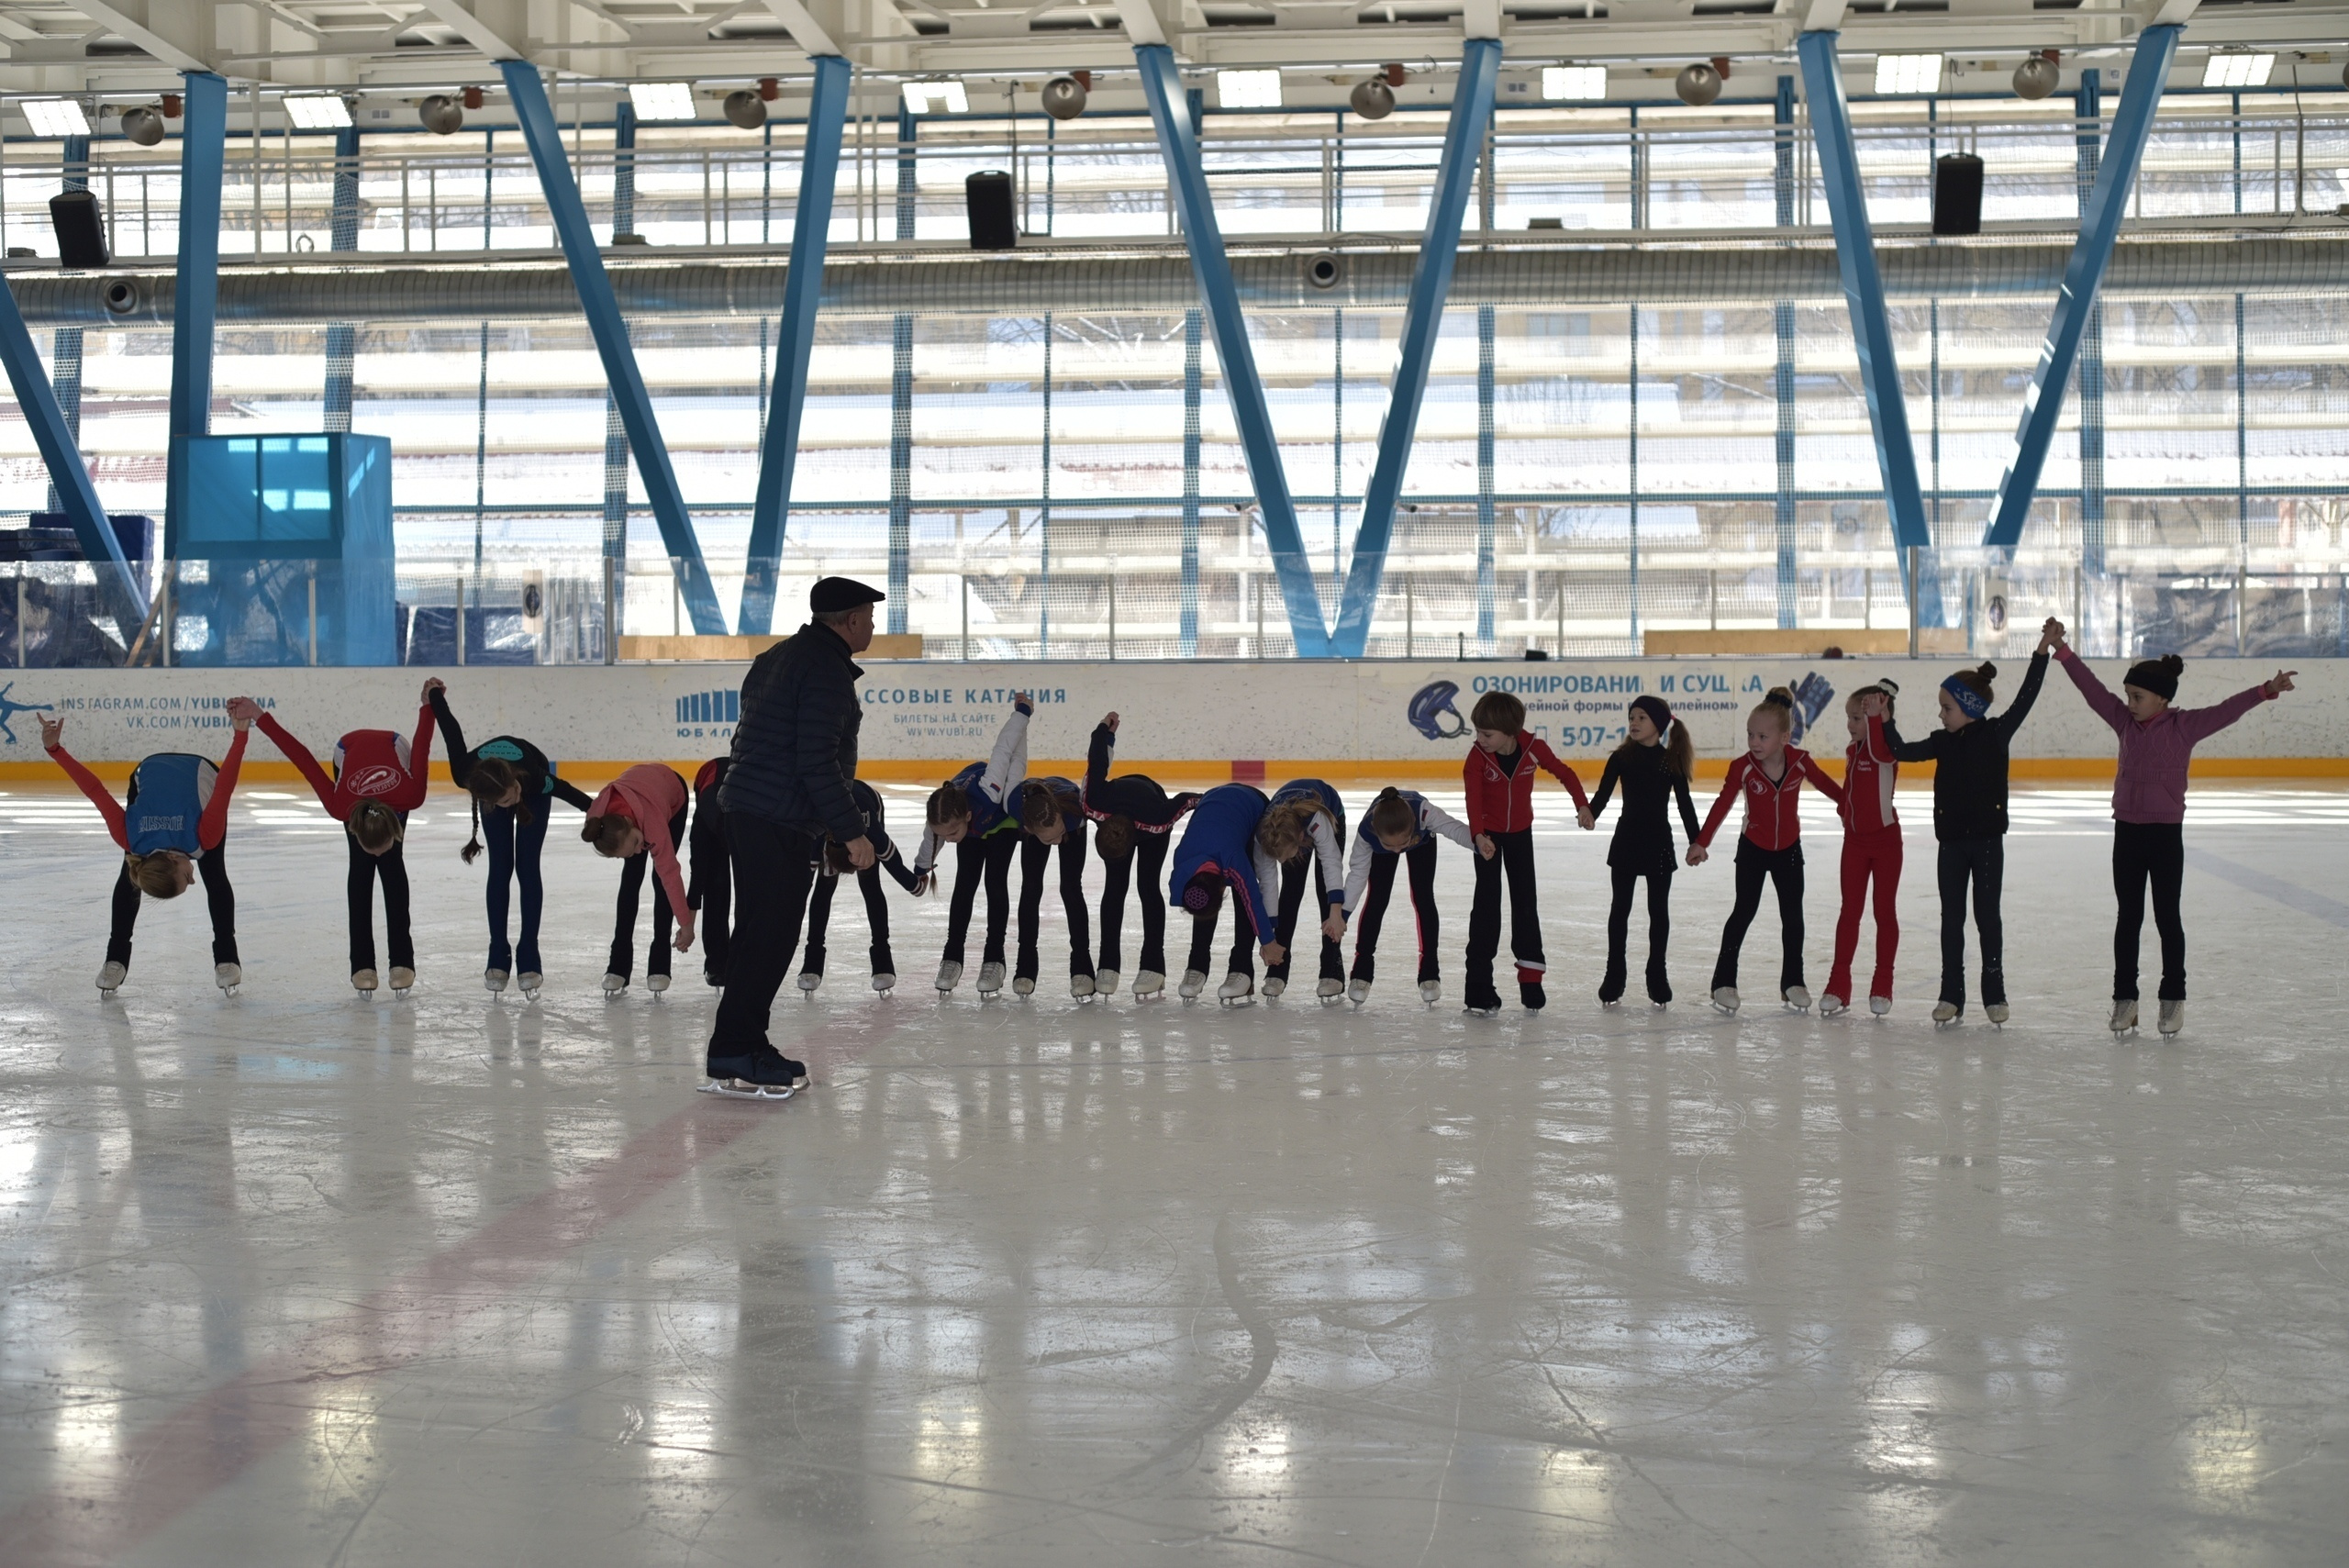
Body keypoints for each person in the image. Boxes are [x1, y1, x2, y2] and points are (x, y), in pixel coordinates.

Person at [2051, 627, 2295, 1037]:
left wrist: (2266, 690)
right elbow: (2092, 691)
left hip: (2164, 836)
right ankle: (2125, 1000)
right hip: (2126, 832)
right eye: (2127, 696)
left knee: (2167, 917)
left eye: (2137, 697)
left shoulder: (2185, 727)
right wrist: (2063, 650)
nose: (2129, 704)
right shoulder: (2124, 723)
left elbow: (2226, 710)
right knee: (2127, 917)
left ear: (2162, 699)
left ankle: (2172, 999)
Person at [707, 576, 885, 1095]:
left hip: (746, 807)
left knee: (757, 932)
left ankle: (738, 1043)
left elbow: (744, 736)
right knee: (771, 934)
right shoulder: (826, 671)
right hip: (776, 816)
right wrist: (851, 830)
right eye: (869, 616)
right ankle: (738, 1047)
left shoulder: (777, 657)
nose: (873, 624)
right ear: (850, 620)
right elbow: (818, 762)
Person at [1882, 632, 2053, 1025]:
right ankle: (1951, 994)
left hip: (1988, 843)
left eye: (1947, 708)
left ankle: (1995, 993)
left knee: (1987, 917)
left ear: (1969, 707)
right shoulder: (1942, 742)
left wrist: (2041, 652)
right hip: (1952, 845)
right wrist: (1887, 721)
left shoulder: (1997, 734)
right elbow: (1902, 751)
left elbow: (2027, 695)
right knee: (1951, 919)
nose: (1941, 715)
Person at [42, 704, 251, 996]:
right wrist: (55, 750)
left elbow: (223, 788)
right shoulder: (135, 840)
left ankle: (227, 959)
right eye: (190, 882)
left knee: (214, 875)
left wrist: (240, 736)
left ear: (172, 859)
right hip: (154, 778)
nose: (193, 880)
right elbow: (95, 791)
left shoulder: (174, 836)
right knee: (136, 876)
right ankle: (115, 960)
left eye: (185, 879)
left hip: (197, 771)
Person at [240, 686, 435, 995]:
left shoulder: (410, 796)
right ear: (354, 829)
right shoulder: (340, 805)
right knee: (361, 869)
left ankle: (402, 961)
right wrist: (258, 716)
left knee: (392, 862)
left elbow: (422, 748)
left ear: (395, 828)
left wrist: (427, 706)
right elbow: (302, 757)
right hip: (348, 749)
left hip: (393, 746)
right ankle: (362, 965)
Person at [427, 678, 595, 996]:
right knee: (501, 867)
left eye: (511, 797)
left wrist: (601, 812)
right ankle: (497, 951)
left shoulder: (532, 781)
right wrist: (434, 694)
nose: (511, 804)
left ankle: (529, 951)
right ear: (487, 800)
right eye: (505, 803)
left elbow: (572, 794)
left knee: (527, 867)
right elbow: (450, 728)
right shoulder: (465, 773)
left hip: (530, 774)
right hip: (493, 781)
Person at [1691, 686, 1847, 1015]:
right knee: (1742, 913)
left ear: (1784, 737)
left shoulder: (1801, 762)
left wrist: (1850, 806)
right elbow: (1722, 804)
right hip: (1753, 850)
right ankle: (1723, 982)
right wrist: (1702, 842)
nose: (1754, 742)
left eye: (1762, 736)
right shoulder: (1743, 767)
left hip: (1789, 850)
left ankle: (1793, 982)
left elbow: (1828, 786)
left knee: (1793, 918)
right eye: (1750, 735)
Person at [1461, 690, 1592, 1014]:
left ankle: (1531, 980)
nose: (1480, 739)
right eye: (1477, 732)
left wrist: (1583, 806)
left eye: (1487, 734)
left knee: (1525, 904)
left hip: (1521, 834)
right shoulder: (1477, 757)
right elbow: (1473, 800)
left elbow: (1566, 773)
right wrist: (1478, 835)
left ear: (1511, 731)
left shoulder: (1534, 748)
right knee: (1486, 909)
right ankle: (1479, 987)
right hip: (1487, 838)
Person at [911, 695, 1031, 996]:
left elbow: (1005, 750)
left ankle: (995, 958)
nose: (949, 839)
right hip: (973, 829)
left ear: (966, 816)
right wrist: (922, 868)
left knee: (994, 881)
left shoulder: (990, 790)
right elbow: (933, 840)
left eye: (953, 832)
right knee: (965, 884)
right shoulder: (941, 817)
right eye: (946, 834)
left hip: (1001, 821)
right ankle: (952, 957)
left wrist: (1023, 714)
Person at [1586, 695, 1701, 1007]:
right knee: (1619, 910)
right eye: (1631, 718)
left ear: (1659, 725)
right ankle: (1615, 974)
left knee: (1658, 912)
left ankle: (1657, 974)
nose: (1634, 723)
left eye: (1641, 718)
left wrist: (1697, 840)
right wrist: (1590, 813)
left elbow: (1685, 804)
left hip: (1658, 844)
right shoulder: (1622, 757)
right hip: (1626, 841)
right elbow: (1603, 793)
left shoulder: (1670, 760)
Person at [1080, 711, 1201, 999]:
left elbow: (1187, 800)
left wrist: (1219, 802)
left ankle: (1153, 965)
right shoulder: (1092, 803)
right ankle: (1108, 963)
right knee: (1115, 887)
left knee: (1147, 886)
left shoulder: (1158, 819)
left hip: (1151, 798)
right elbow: (1097, 757)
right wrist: (1105, 730)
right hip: (1119, 802)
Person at [1341, 786, 1475, 1004]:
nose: (1397, 851)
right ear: (1376, 831)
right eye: (1389, 845)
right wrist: (1343, 914)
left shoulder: (1425, 814)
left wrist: (1479, 844)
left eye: (1402, 844)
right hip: (1390, 839)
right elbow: (1357, 875)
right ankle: (1361, 971)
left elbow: (1454, 829)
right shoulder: (1368, 832)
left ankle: (1430, 972)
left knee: (1423, 898)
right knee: (1377, 899)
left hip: (1421, 842)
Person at [796, 778, 922, 994]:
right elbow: (802, 882)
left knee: (871, 884)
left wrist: (914, 885)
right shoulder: (817, 836)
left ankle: (883, 962)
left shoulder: (871, 831)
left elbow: (892, 861)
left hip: (866, 799)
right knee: (823, 888)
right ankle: (812, 961)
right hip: (825, 810)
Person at [1822, 683, 1902, 1018]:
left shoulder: (1886, 750)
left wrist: (1876, 719)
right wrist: (1845, 813)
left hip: (1885, 844)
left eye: (1857, 718)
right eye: (1849, 717)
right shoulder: (1853, 751)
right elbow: (1852, 792)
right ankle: (1838, 984)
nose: (1850, 724)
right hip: (1854, 844)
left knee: (1883, 912)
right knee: (1849, 912)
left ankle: (1883, 982)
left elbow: (1881, 747)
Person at [582, 763, 695, 995]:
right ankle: (618, 966)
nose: (638, 850)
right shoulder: (599, 822)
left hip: (671, 795)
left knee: (659, 879)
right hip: (637, 800)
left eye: (635, 844)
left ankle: (660, 963)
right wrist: (631, 845)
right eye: (630, 850)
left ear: (631, 823)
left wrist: (686, 925)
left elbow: (671, 875)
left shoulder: (652, 823)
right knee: (631, 878)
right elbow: (629, 844)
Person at [1168, 783, 1286, 1003]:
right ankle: (1197, 965)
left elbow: (1253, 900)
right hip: (1213, 798)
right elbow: (1186, 899)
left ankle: (1241, 970)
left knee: (1244, 896)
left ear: (1224, 885)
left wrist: (1268, 941)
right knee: (1203, 903)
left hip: (1254, 804)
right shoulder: (1183, 862)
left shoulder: (1233, 860)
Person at [1255, 778, 1348, 1000]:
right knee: (1291, 892)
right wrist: (1268, 939)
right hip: (1287, 830)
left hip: (1331, 813)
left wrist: (1336, 912)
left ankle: (1331, 968)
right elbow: (1268, 884)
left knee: (1325, 892)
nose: (1282, 861)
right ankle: (1277, 968)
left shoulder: (1316, 820)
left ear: (1299, 839)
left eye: (1286, 856)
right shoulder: (1266, 835)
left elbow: (1331, 863)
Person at [1014, 774, 1095, 997]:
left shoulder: (1075, 815)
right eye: (1050, 840)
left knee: (1070, 888)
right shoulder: (1018, 813)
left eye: (1059, 835)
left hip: (1067, 812)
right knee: (1030, 887)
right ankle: (1025, 965)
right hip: (1034, 816)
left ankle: (1082, 966)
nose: (1058, 842)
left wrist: (1059, 833)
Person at [685, 758, 733, 987]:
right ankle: (717, 963)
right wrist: (688, 926)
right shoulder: (705, 822)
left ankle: (747, 958)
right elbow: (698, 878)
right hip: (710, 779)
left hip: (747, 799)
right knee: (716, 884)